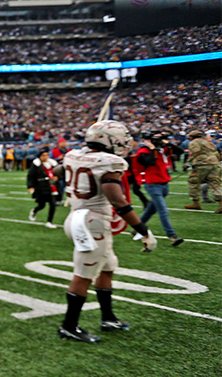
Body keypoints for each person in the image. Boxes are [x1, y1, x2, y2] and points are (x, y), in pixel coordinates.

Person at [56, 121, 158, 343]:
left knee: (107, 267)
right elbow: (117, 200)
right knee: (83, 275)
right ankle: (69, 326)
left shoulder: (74, 155)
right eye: (120, 140)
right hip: (91, 222)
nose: (123, 144)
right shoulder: (109, 162)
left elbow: (57, 170)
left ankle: (108, 318)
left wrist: (78, 160)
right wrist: (143, 230)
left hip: (80, 218)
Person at [134, 131, 185, 247]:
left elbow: (180, 152)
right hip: (152, 184)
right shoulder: (143, 151)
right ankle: (172, 236)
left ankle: (136, 227)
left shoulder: (162, 149)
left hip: (164, 183)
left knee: (151, 210)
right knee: (163, 210)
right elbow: (150, 162)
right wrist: (152, 148)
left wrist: (168, 144)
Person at [184, 130, 221, 213]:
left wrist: (188, 163)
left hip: (201, 164)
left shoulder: (194, 142)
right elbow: (217, 153)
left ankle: (196, 203)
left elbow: (194, 152)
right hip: (214, 164)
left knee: (194, 182)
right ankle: (221, 204)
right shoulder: (209, 142)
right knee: (215, 184)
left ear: (192, 137)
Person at [27, 149, 60, 228]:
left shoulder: (52, 164)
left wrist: (57, 177)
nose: (46, 157)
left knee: (53, 204)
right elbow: (31, 176)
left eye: (47, 155)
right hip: (40, 187)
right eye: (43, 155)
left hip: (51, 186)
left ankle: (49, 221)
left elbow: (58, 173)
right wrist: (30, 186)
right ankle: (34, 211)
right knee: (42, 205)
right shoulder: (36, 165)